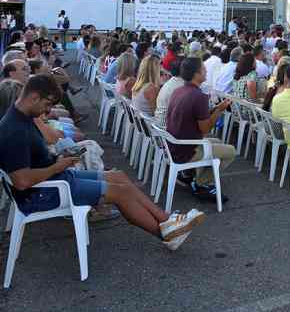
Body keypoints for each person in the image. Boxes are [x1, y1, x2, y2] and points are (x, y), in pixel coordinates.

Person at [0, 74, 205, 250]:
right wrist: (56, 166)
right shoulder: (14, 130)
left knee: (118, 176)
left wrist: (59, 162)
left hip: (54, 179)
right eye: (46, 104)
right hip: (43, 193)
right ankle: (167, 236)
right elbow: (21, 181)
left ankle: (167, 220)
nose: (46, 111)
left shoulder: (22, 118)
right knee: (121, 192)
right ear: (34, 97)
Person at [166, 57, 235, 201]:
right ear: (196, 74)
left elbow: (196, 117)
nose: (206, 71)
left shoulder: (178, 90)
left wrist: (216, 108)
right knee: (230, 152)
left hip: (174, 145)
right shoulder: (198, 96)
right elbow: (205, 129)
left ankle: (189, 174)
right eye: (204, 69)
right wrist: (219, 111)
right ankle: (201, 184)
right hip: (186, 149)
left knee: (216, 141)